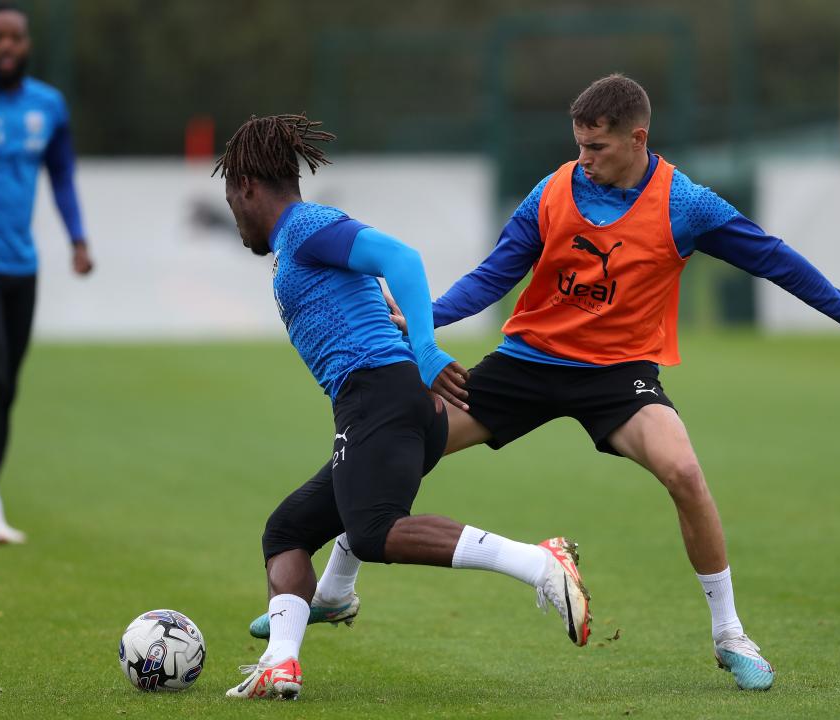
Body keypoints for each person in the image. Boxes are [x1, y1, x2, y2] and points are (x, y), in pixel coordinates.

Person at [260, 74, 840, 691]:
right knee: (398, 441)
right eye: (578, 145)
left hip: (619, 376)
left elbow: (772, 255)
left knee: (685, 474)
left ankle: (731, 635)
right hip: (527, 363)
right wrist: (427, 317)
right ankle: (335, 590)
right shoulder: (553, 192)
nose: (584, 159)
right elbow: (494, 276)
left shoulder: (685, 204)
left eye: (596, 147)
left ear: (637, 139)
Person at [214, 113, 592, 701]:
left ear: (245, 188)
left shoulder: (308, 226)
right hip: (380, 403)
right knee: (287, 531)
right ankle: (281, 663)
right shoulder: (295, 243)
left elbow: (403, 258)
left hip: (382, 396)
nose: (235, 216)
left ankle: (539, 563)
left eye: (231, 199)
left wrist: (424, 349)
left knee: (371, 531)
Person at [0, 2, 93, 544]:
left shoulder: (47, 105)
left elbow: (60, 175)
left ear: (27, 44)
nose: (6, 47)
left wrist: (77, 238)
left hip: (22, 263)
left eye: (15, 38)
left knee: (5, 386)